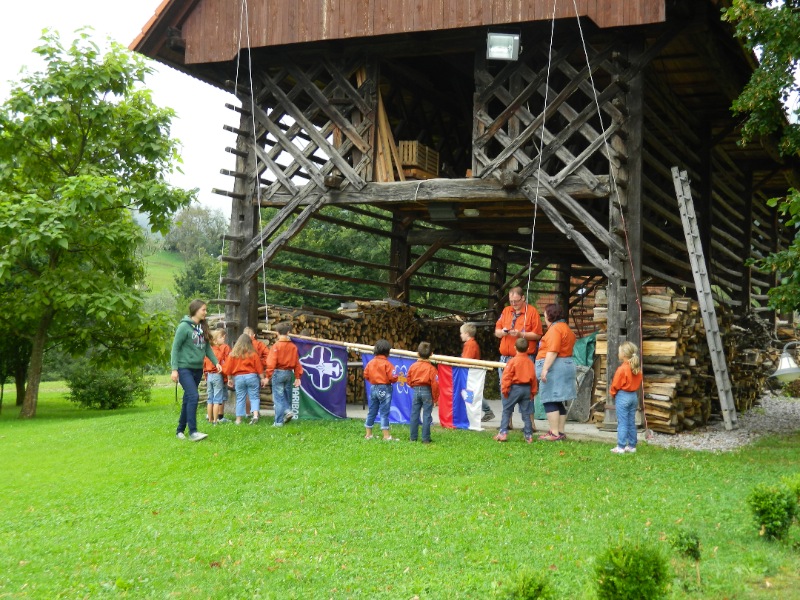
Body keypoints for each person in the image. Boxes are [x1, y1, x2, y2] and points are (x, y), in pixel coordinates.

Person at [171, 299, 221, 441]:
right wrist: (174, 369)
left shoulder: (201, 327)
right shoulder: (184, 327)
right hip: (184, 368)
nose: (206, 312)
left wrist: (216, 362)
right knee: (193, 396)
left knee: (188, 398)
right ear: (195, 310)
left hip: (197, 369)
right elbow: (175, 348)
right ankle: (193, 432)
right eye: (203, 309)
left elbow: (207, 348)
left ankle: (180, 430)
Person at [493, 287, 543, 424]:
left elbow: (538, 334)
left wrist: (521, 334)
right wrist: (502, 332)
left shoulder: (532, 312)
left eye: (516, 301)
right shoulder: (506, 311)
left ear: (523, 298)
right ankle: (507, 422)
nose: (513, 304)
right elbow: (497, 331)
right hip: (505, 357)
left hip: (524, 357)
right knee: (504, 386)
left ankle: (530, 423)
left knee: (526, 388)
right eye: (511, 301)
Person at [535, 303, 577, 441]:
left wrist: (545, 369)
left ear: (550, 315)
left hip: (555, 367)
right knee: (558, 400)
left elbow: (553, 351)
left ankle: (554, 433)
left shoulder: (555, 329)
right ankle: (560, 431)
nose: (544, 317)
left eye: (545, 314)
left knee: (549, 399)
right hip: (566, 364)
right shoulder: (565, 327)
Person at [494, 337, 538, 443]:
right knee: (526, 413)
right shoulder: (530, 362)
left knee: (507, 410)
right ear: (528, 348)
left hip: (514, 388)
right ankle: (528, 435)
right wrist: (533, 392)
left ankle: (503, 433)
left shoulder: (512, 361)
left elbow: (506, 377)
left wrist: (504, 390)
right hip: (526, 389)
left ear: (515, 348)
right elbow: (533, 378)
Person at [222, 333, 268, 425]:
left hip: (239, 378)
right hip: (252, 377)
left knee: (240, 398)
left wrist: (229, 379)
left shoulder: (233, 354)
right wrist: (263, 378)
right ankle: (255, 416)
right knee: (254, 397)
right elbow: (259, 368)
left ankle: (238, 420)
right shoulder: (253, 354)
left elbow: (228, 368)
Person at [265, 321, 303, 427]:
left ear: (277, 333)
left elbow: (271, 362)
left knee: (278, 398)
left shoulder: (276, 346)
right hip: (289, 373)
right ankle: (287, 411)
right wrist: (298, 377)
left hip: (278, 372)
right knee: (286, 395)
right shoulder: (293, 347)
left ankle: (279, 421)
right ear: (288, 333)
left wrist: (267, 376)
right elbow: (296, 363)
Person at [609, 341, 643, 454]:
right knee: (631, 422)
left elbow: (615, 385)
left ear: (623, 354)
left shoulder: (622, 369)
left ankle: (621, 446)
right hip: (633, 396)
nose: (618, 353)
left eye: (619, 352)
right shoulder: (636, 369)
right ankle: (632, 446)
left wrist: (613, 393)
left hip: (623, 396)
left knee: (622, 422)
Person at [363, 339, 399, 440]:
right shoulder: (388, 364)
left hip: (373, 387)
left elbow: (366, 374)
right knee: (384, 412)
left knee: (372, 411)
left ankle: (368, 434)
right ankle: (386, 436)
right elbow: (393, 377)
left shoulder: (370, 363)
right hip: (385, 388)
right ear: (388, 352)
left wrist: (373, 380)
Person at [406, 341, 440, 444]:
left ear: (417, 353)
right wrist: (435, 398)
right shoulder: (432, 369)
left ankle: (413, 437)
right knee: (427, 415)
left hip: (416, 391)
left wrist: (414, 386)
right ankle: (425, 439)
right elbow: (435, 384)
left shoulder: (413, 366)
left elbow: (408, 379)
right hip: (427, 391)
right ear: (431, 354)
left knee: (414, 414)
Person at [203, 328, 231, 424]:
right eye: (220, 337)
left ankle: (210, 419)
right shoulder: (219, 353)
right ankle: (215, 420)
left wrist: (206, 375)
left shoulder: (208, 353)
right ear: (215, 341)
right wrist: (227, 377)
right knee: (217, 399)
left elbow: (204, 365)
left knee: (210, 399)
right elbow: (223, 366)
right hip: (217, 376)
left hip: (209, 376)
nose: (223, 338)